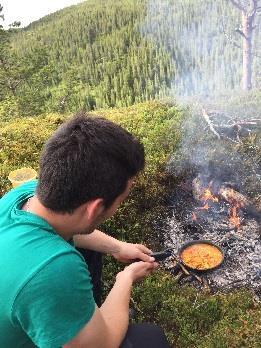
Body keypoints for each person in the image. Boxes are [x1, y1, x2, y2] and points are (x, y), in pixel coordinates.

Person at [0, 114, 170, 348]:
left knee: (90, 251)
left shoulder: (25, 195)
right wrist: (126, 278)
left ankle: (84, 319)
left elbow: (72, 227)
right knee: (150, 340)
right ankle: (86, 325)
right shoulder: (53, 270)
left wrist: (118, 247)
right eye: (121, 200)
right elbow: (104, 344)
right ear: (94, 209)